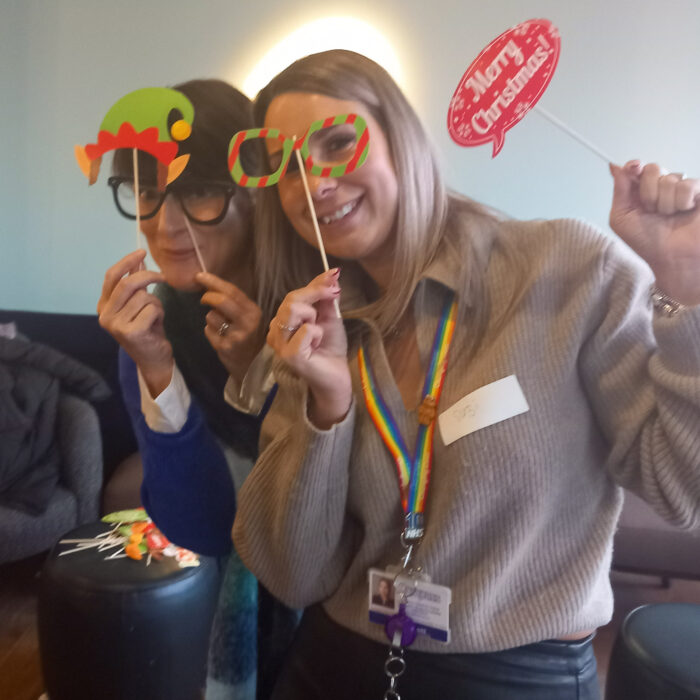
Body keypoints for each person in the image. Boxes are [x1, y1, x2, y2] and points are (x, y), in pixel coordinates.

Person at [231, 50, 700, 700]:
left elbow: (683, 490)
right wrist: (326, 405)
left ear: (403, 139)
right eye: (285, 165)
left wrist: (690, 293)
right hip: (337, 662)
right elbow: (292, 573)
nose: (312, 181)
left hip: (514, 673)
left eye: (338, 142)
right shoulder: (318, 326)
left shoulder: (564, 270)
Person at [96, 79, 295, 700]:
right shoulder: (150, 335)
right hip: (237, 610)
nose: (167, 223)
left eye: (201, 190)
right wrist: (158, 370)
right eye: (150, 194)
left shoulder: (312, 310)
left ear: (255, 192)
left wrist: (264, 372)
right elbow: (203, 531)